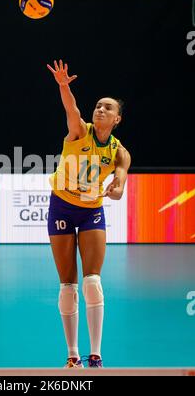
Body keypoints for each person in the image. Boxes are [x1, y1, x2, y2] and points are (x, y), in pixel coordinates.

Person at [47, 60, 131, 368]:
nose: (100, 110)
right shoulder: (80, 131)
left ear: (117, 118)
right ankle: (72, 356)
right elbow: (71, 109)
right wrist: (63, 85)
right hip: (61, 206)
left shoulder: (120, 152)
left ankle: (95, 356)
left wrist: (117, 189)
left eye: (107, 108)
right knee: (67, 286)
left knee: (92, 282)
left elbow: (120, 181)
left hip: (91, 212)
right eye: (98, 106)